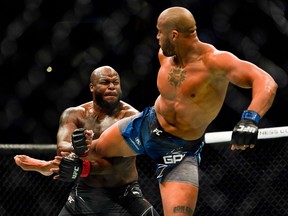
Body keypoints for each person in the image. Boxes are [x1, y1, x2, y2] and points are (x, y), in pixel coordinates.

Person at [76, 7, 278, 216]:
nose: (156, 37)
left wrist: (250, 119)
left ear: (173, 34)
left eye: (159, 32)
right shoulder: (164, 55)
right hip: (148, 124)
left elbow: (266, 82)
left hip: (180, 150)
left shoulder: (215, 62)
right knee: (92, 151)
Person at [14, 66, 160, 216]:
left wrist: (81, 157)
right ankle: (52, 167)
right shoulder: (75, 114)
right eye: (105, 82)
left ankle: (50, 167)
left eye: (115, 82)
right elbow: (62, 149)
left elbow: (115, 167)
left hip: (124, 195)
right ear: (92, 87)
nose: (111, 86)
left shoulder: (131, 118)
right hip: (83, 194)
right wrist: (78, 148)